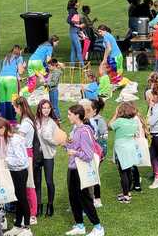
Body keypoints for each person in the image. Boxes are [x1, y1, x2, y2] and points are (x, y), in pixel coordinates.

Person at [63, 105, 104, 236]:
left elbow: (88, 155)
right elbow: (73, 147)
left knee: (85, 198)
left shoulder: (85, 131)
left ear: (77, 115)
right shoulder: (76, 130)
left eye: (70, 114)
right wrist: (65, 144)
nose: (68, 116)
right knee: (73, 197)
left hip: (80, 170)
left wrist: (74, 152)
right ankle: (80, 225)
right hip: (72, 168)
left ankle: (98, 227)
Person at [1, 116, 31, 235]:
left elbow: (21, 160)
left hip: (20, 172)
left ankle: (27, 228)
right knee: (17, 199)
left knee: (22, 199)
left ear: (4, 128)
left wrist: (6, 160)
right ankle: (18, 225)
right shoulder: (8, 139)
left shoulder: (15, 140)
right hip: (13, 171)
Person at [13, 97, 39, 225]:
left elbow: (18, 139)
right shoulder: (25, 120)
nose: (14, 109)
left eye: (15, 107)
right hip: (25, 153)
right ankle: (27, 212)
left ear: (20, 107)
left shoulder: (25, 123)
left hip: (27, 154)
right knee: (26, 186)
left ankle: (33, 214)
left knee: (29, 185)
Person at [109, 102, 141, 203]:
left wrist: (115, 115)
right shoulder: (134, 122)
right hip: (131, 148)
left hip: (121, 149)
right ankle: (127, 192)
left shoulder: (119, 121)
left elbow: (109, 126)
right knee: (128, 171)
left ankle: (126, 196)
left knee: (123, 173)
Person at [34, 100, 59, 217]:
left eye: (48, 108)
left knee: (49, 181)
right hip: (37, 156)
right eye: (44, 108)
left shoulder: (53, 123)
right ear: (39, 108)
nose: (46, 110)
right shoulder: (35, 122)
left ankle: (50, 204)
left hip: (48, 155)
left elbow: (57, 141)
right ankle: (38, 205)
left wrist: (48, 139)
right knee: (37, 182)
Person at [0, 45, 24, 120]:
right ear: (20, 51)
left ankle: (2, 120)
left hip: (1, 79)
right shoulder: (19, 57)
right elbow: (20, 71)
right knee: (12, 100)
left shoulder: (7, 57)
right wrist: (23, 66)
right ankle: (11, 120)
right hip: (10, 80)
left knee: (3, 101)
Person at [67, 0, 84, 66]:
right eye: (78, 2)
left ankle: (72, 67)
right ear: (75, 3)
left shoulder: (74, 10)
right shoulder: (72, 11)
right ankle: (83, 67)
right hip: (73, 32)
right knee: (79, 50)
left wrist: (79, 29)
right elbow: (68, 20)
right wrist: (78, 26)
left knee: (73, 50)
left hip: (74, 32)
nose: (79, 3)